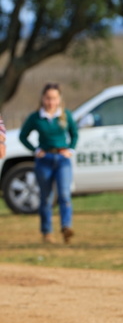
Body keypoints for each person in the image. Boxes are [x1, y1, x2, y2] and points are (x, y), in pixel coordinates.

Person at [19, 83, 79, 244]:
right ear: (42, 99)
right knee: (46, 198)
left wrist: (70, 149)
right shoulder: (36, 117)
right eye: (47, 98)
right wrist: (35, 150)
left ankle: (66, 227)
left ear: (59, 99)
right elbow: (23, 136)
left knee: (64, 194)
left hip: (62, 159)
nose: (50, 102)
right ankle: (47, 232)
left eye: (54, 98)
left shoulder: (65, 115)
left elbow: (74, 134)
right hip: (44, 160)